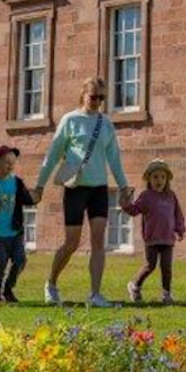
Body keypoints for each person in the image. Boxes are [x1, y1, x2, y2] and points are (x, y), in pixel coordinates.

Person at [32, 77, 132, 308]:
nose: (97, 101)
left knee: (98, 241)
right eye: (93, 96)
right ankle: (51, 283)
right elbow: (54, 155)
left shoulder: (106, 124)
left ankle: (95, 294)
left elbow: (114, 159)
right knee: (71, 242)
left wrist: (124, 187)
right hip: (75, 188)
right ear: (83, 95)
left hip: (98, 188)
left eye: (101, 97)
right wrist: (39, 185)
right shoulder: (70, 120)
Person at [122, 158, 185, 305]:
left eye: (162, 177)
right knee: (150, 266)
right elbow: (134, 210)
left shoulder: (171, 196)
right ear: (149, 179)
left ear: (167, 179)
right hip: (152, 238)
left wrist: (180, 229)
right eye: (155, 177)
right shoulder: (146, 196)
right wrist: (125, 203)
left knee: (167, 267)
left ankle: (166, 294)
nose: (159, 180)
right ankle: (135, 286)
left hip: (168, 238)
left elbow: (178, 214)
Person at [0, 145, 34, 304]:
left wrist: (35, 195)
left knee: (20, 261)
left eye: (13, 161)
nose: (10, 164)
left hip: (15, 231)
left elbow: (27, 200)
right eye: (6, 161)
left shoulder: (17, 183)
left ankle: (8, 290)